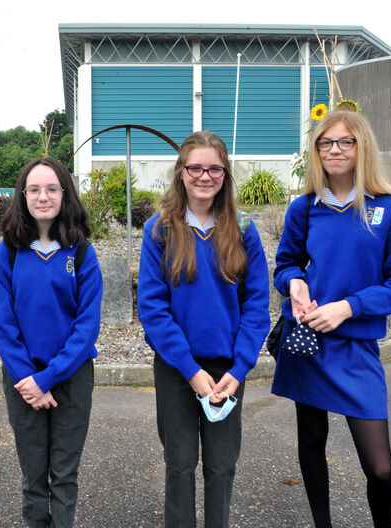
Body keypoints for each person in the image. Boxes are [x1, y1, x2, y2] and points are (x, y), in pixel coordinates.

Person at [272, 110, 391, 527]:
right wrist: (296, 285)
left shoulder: (390, 209)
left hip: (356, 348)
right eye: (325, 143)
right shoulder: (304, 208)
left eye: (345, 142)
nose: (334, 150)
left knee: (380, 467)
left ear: (362, 147)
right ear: (316, 150)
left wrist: (348, 307)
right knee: (312, 446)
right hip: (308, 343)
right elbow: (285, 265)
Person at [137, 131, 270, 527]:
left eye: (214, 168)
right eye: (195, 167)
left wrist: (240, 367)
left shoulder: (244, 229)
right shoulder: (159, 230)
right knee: (179, 465)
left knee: (221, 465)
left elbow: (257, 307)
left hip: (227, 372)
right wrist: (191, 371)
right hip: (178, 369)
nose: (204, 176)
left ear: (225, 174)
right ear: (181, 173)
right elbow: (153, 310)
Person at [0, 157, 103, 528]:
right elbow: (2, 322)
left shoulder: (82, 252)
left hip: (71, 379)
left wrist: (49, 378)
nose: (43, 197)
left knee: (65, 478)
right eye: (34, 189)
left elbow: (86, 327)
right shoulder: (7, 251)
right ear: (22, 195)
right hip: (23, 382)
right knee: (33, 477)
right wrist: (29, 379)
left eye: (52, 188)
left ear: (65, 193)